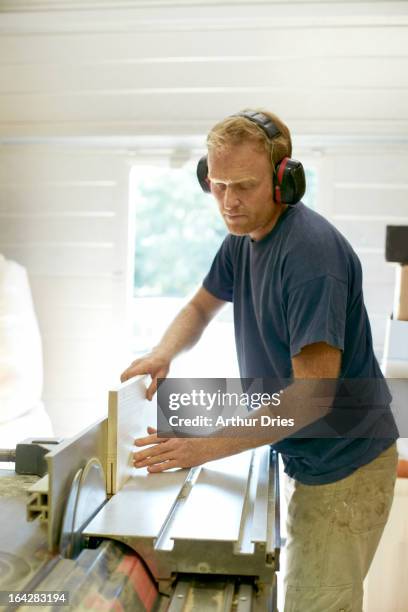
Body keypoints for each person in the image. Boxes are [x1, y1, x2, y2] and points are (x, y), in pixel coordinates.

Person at [121, 109, 398, 611]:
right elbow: (200, 306)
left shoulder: (312, 258)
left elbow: (312, 396)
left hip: (345, 471)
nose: (228, 201)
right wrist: (162, 353)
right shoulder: (243, 239)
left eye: (243, 186)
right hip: (310, 456)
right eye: (218, 184)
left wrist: (202, 448)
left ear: (284, 180)